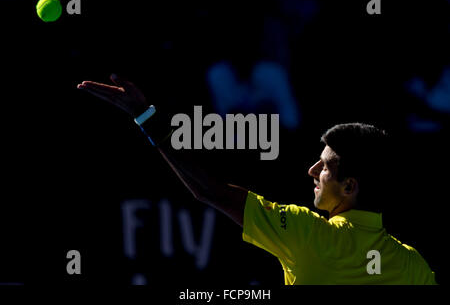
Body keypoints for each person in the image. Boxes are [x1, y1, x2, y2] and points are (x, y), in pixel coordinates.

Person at [76, 74, 437, 285]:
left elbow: (208, 190)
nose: (312, 171)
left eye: (325, 167)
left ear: (349, 186)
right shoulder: (414, 267)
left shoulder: (308, 234)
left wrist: (145, 117)